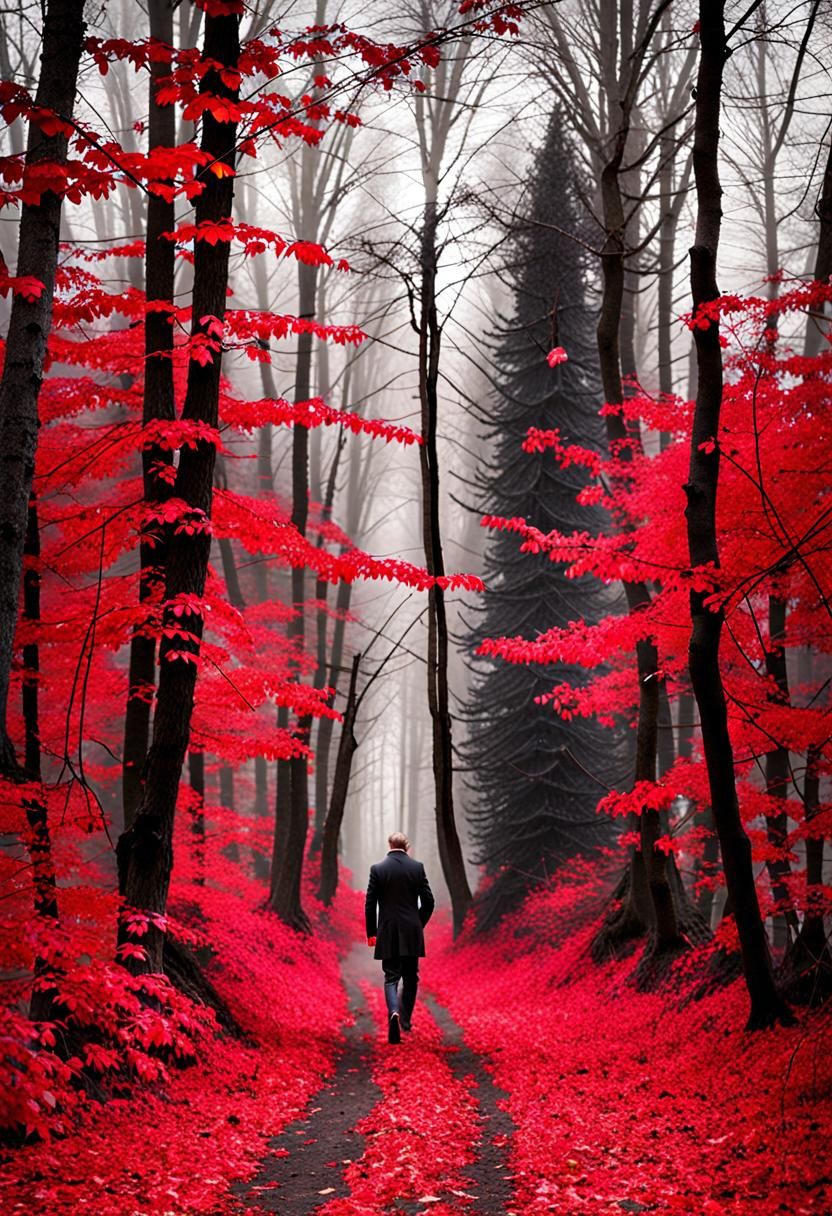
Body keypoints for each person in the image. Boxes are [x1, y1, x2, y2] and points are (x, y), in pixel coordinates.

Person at [365, 831, 435, 1044]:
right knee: (411, 978)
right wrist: (417, 923)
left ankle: (393, 1012)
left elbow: (370, 904)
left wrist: (372, 934)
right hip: (411, 932)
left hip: (388, 932)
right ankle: (404, 1020)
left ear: (390, 845)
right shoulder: (417, 868)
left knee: (391, 977)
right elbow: (429, 902)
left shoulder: (378, 869)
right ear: (407, 847)